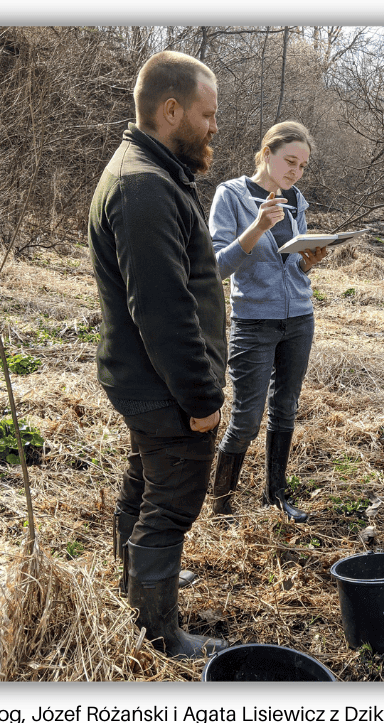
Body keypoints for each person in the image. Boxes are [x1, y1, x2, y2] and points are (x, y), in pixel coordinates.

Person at [88, 50, 228, 658]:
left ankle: (140, 586)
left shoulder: (150, 170)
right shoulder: (143, 186)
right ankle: (157, 633)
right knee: (170, 506)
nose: (214, 127)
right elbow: (163, 314)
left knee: (147, 484)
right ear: (171, 110)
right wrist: (202, 400)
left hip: (147, 381)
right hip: (164, 386)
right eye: (207, 114)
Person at [206, 121, 329, 522]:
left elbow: (292, 264)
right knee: (246, 416)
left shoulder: (297, 199)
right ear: (266, 153)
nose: (295, 172)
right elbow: (215, 267)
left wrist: (309, 262)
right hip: (254, 321)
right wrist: (257, 226)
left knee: (286, 408)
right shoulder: (231, 195)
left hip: (299, 318)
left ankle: (275, 496)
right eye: (289, 161)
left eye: (302, 166)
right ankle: (221, 504)